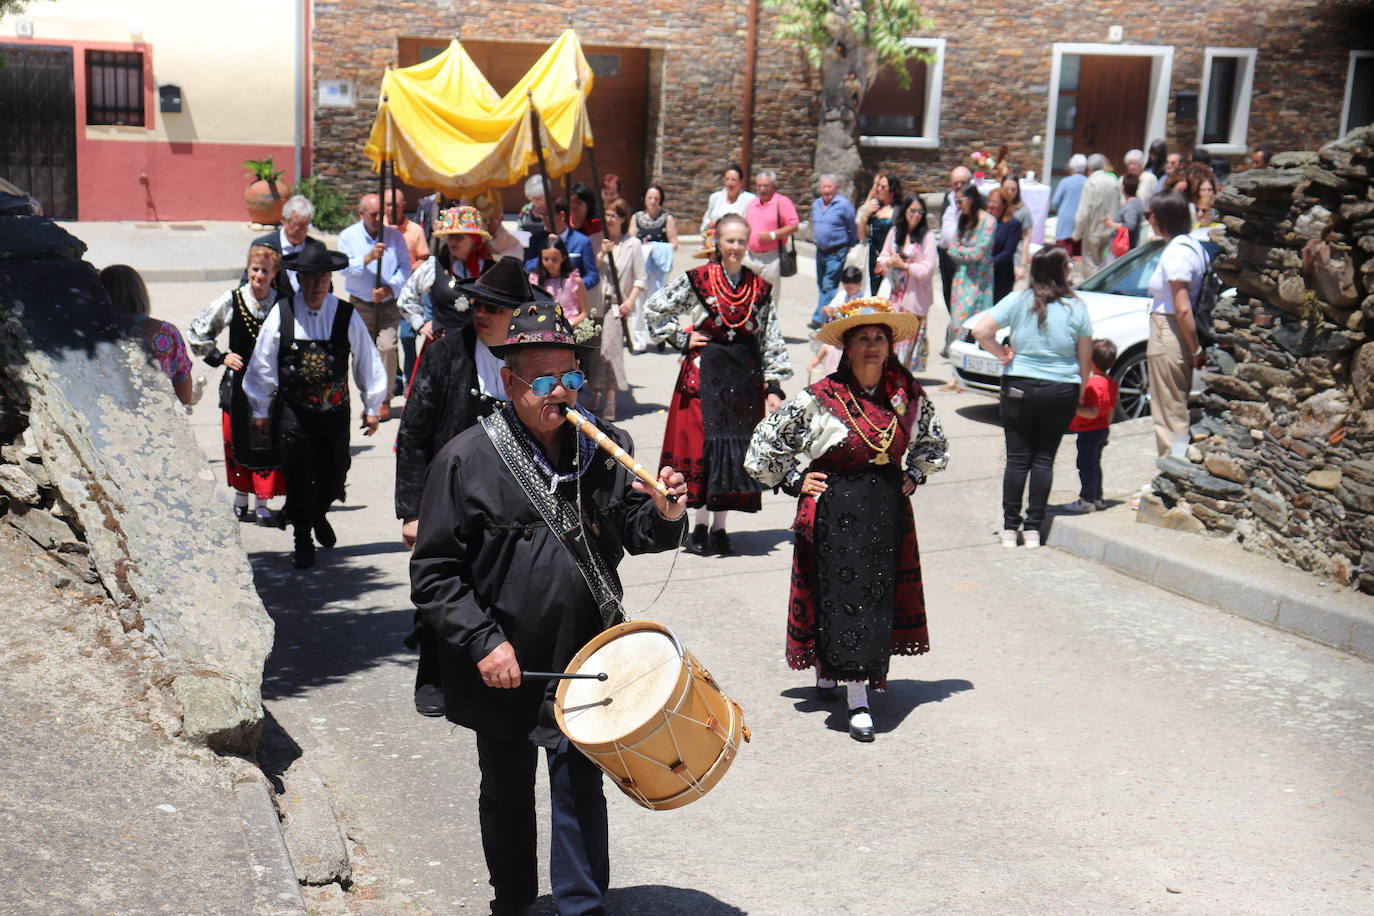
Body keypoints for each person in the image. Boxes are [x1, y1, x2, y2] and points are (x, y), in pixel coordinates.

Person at [409, 296, 687, 916]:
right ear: (510, 383)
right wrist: (482, 642)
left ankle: (582, 907)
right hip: (504, 664)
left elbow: (636, 530)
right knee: (506, 790)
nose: (561, 393)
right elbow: (433, 575)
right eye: (543, 380)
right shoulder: (465, 459)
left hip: (585, 659)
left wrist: (666, 511)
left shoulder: (604, 446)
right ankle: (511, 902)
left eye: (571, 377)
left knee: (581, 788)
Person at [745, 297, 948, 742]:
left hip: (887, 514)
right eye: (863, 339)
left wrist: (914, 473)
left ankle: (846, 679)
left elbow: (934, 445)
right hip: (836, 512)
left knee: (873, 603)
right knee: (841, 598)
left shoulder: (906, 396)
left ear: (890, 345)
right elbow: (762, 448)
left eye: (880, 338)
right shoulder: (821, 398)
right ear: (848, 347)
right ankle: (857, 699)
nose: (873, 346)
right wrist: (795, 479)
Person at [396, 257, 545, 718]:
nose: (481, 313)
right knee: (445, 588)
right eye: (478, 304)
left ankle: (510, 672)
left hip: (515, 500)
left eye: (494, 308)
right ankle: (434, 677)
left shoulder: (536, 359)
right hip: (452, 496)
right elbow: (414, 434)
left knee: (505, 592)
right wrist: (411, 510)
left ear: (518, 314)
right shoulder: (444, 354)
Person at [646, 212, 792, 555]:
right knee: (701, 451)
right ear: (717, 242)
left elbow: (770, 336)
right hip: (703, 377)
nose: (736, 247)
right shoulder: (697, 279)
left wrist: (774, 387)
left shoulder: (758, 287)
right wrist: (681, 339)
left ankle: (721, 528)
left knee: (733, 453)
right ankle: (698, 526)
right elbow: (655, 309)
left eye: (741, 241)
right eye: (730, 240)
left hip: (743, 381)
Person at [244, 246, 388, 569]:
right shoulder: (282, 313)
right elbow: (263, 364)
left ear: (329, 279)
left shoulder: (346, 315)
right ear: (301, 279)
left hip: (335, 414)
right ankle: (303, 541)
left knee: (336, 474)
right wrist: (260, 410)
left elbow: (366, 358)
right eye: (311, 278)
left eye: (323, 277)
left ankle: (318, 512)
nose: (318, 284)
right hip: (294, 414)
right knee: (297, 476)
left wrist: (372, 404)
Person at [971, 246, 1093, 549]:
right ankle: (1034, 528)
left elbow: (980, 331)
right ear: (1061, 271)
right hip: (1061, 389)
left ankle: (1010, 528)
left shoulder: (1018, 300)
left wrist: (1002, 353)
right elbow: (1085, 361)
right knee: (1043, 459)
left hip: (1019, 385)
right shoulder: (1076, 307)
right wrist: (1079, 391)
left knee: (1016, 459)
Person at [187, 244, 287, 525]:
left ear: (274, 273)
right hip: (239, 383)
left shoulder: (282, 303)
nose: (258, 275)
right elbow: (197, 329)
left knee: (266, 441)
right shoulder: (233, 300)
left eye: (265, 271)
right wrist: (221, 357)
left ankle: (263, 502)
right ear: (248, 269)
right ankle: (241, 497)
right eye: (255, 269)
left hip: (271, 385)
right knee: (237, 439)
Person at [1143, 189, 1208, 459]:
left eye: (1151, 216)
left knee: (1168, 409)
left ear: (1162, 218)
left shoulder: (1177, 253)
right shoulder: (1192, 247)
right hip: (1173, 331)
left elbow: (1182, 308)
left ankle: (1173, 473)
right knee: (1174, 406)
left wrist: (1194, 350)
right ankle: (1176, 468)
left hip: (1168, 331)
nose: (1148, 221)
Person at [338, 193, 412, 422]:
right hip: (360, 304)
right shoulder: (348, 236)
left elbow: (405, 268)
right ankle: (369, 398)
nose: (378, 218)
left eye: (382, 214)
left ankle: (385, 398)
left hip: (388, 304)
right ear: (361, 214)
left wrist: (390, 289)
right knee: (362, 353)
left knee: (388, 348)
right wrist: (368, 258)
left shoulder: (394, 236)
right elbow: (343, 268)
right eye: (373, 214)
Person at [398, 205, 492, 351]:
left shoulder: (491, 269)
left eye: (459, 237)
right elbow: (406, 298)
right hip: (443, 347)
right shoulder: (434, 265)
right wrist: (422, 324)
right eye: (450, 237)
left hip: (482, 348)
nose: (453, 242)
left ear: (475, 240)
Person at [98, 265, 193, 405]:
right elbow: (184, 396)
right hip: (156, 420)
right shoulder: (167, 333)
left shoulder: (92, 336)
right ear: (140, 293)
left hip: (105, 419)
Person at [590, 198, 644, 416]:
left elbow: (640, 279)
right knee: (593, 352)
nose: (610, 219)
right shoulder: (596, 240)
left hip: (615, 306)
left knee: (611, 351)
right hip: (595, 305)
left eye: (614, 215)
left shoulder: (633, 245)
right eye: (607, 215)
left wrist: (629, 302)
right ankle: (594, 393)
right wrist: (602, 254)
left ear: (623, 218)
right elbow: (589, 271)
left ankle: (610, 399)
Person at [941, 184, 997, 389]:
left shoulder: (989, 221)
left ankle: (971, 373)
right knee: (956, 323)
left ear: (971, 199)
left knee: (976, 326)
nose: (958, 205)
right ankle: (954, 374)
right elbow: (951, 248)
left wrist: (962, 251)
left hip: (980, 282)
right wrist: (964, 252)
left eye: (960, 200)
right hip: (962, 279)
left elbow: (979, 252)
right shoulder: (963, 221)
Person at [875, 194, 937, 372]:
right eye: (913, 211)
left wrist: (905, 266)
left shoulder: (927, 237)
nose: (916, 215)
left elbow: (928, 268)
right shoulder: (895, 232)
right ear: (905, 211)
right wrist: (890, 262)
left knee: (906, 344)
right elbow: (883, 256)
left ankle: (900, 380)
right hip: (893, 295)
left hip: (913, 299)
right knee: (888, 339)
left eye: (920, 212)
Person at [1062, 338, 1119, 514]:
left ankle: (1086, 499)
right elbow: (1110, 410)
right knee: (1095, 464)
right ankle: (1097, 498)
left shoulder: (1094, 384)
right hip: (1102, 429)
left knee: (1086, 465)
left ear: (1091, 361)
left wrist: (1074, 407)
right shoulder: (1111, 382)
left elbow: (1092, 412)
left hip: (1089, 431)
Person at [246, 194, 325, 299]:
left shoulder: (316, 248)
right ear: (284, 220)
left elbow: (326, 286)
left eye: (305, 225)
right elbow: (247, 282)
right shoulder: (263, 245)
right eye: (297, 225)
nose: (301, 230)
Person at [810, 174, 859, 329]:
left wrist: (851, 243)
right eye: (824, 187)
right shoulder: (816, 204)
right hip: (820, 250)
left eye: (829, 187)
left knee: (828, 285)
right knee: (821, 283)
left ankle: (820, 318)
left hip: (836, 251)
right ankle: (824, 309)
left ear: (836, 188)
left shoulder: (844, 204)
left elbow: (852, 224)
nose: (826, 190)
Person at [743, 169, 799, 290]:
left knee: (769, 298)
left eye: (766, 186)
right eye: (759, 186)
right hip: (750, 257)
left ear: (774, 186)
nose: (762, 189)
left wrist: (773, 235)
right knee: (748, 296)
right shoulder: (752, 203)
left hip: (771, 258)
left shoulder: (782, 202)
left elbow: (794, 226)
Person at [808, 266, 865, 378]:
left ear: (859, 285)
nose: (848, 290)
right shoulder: (841, 295)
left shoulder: (862, 301)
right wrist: (829, 310)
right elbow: (829, 308)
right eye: (846, 287)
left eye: (851, 288)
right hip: (838, 331)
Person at [937, 166, 972, 350]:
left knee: (960, 298)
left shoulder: (974, 201)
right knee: (947, 293)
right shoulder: (948, 197)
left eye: (962, 183)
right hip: (945, 252)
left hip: (961, 254)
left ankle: (956, 338)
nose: (958, 186)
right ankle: (953, 333)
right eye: (955, 183)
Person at [630, 184, 678, 304]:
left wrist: (654, 248)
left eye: (656, 199)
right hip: (641, 266)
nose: (652, 202)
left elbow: (674, 244)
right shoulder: (636, 218)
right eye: (650, 198)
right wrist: (642, 248)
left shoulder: (667, 218)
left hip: (658, 269)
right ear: (645, 198)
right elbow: (630, 243)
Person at [856, 171, 901, 296]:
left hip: (889, 259)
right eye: (878, 186)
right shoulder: (874, 208)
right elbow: (862, 236)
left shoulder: (899, 210)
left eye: (883, 187)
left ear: (892, 189)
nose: (879, 189)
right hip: (872, 256)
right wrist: (865, 215)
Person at [1074, 154, 1120, 271]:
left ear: (1089, 167)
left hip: (1093, 231)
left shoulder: (1091, 182)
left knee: (1091, 265)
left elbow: (1084, 211)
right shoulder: (1113, 181)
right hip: (1109, 231)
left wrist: (1077, 232)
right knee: (1105, 265)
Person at [530, 235, 586, 327]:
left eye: (554, 259)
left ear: (563, 258)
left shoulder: (574, 281)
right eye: (546, 259)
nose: (550, 263)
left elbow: (584, 312)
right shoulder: (535, 281)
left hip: (568, 330)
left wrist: (568, 325)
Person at [987, 188, 1024, 306]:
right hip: (983, 274)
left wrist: (989, 264)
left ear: (1004, 204)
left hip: (1001, 275)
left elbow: (1008, 252)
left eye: (995, 202)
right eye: (990, 201)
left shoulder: (1013, 224)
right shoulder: (986, 221)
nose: (991, 205)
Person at [699, 163, 756, 236]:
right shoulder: (715, 198)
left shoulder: (750, 199)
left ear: (741, 181)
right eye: (727, 179)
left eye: (733, 180)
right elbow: (706, 221)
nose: (730, 183)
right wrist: (709, 224)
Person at [1050, 154, 1088, 257]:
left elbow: (1055, 201)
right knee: (1078, 255)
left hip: (1065, 220)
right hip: (1083, 220)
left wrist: (1061, 209)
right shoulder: (1088, 182)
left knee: (1063, 253)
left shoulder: (1065, 181)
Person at [1104, 174, 1145, 263]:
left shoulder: (1131, 207)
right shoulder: (1137, 203)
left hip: (1122, 251)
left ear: (1122, 188)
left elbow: (1130, 226)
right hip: (1127, 248)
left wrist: (1111, 224)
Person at [474, 190, 524, 262]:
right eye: (483, 219)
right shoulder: (470, 238)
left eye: (491, 219)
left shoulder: (512, 242)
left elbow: (515, 260)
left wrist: (493, 255)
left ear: (501, 218)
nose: (487, 223)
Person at [1002, 175, 1034, 283]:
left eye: (1013, 189)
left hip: (1015, 259)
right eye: (1007, 189)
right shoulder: (996, 208)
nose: (1010, 192)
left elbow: (1026, 239)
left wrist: (1023, 265)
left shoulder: (1023, 211)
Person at [387, 188, 430, 270]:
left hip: (409, 279)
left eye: (396, 205)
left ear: (403, 205)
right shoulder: (377, 228)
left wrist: (405, 272)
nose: (392, 209)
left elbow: (423, 259)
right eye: (388, 205)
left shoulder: (416, 230)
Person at [518, 174, 550, 263]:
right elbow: (519, 228)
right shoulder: (525, 210)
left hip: (547, 250)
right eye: (533, 198)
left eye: (539, 198)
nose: (536, 201)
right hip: (528, 250)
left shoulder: (552, 212)